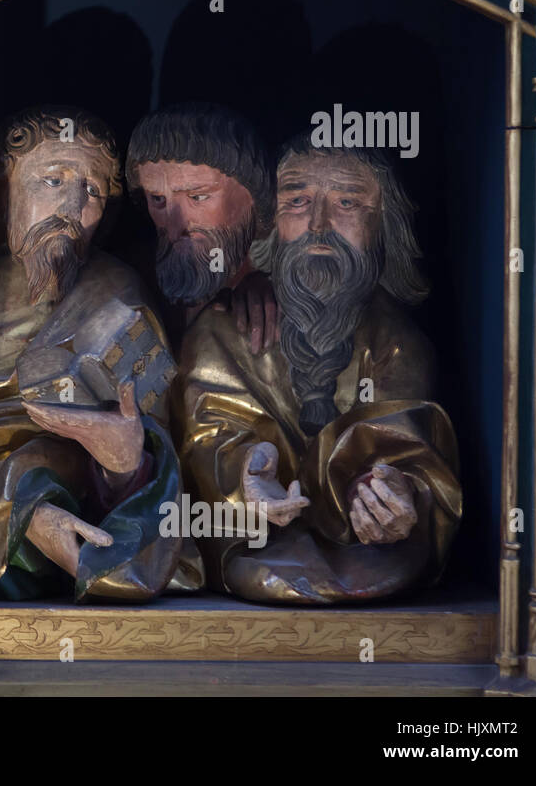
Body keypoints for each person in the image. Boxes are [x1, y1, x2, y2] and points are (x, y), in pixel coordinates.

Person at [173, 136, 461, 602]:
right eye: (297, 202)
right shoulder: (220, 333)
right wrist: (245, 475)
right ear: (270, 223)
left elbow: (405, 446)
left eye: (347, 202)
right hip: (257, 543)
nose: (319, 225)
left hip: (364, 550)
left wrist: (396, 494)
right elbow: (208, 436)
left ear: (383, 223)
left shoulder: (397, 342)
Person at [0, 106, 198, 601]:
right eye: (52, 180)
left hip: (92, 529)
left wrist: (122, 463)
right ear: (2, 191)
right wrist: (22, 514)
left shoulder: (118, 293)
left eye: (94, 191)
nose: (74, 205)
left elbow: (161, 454)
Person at [126, 102, 277, 353]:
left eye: (198, 197)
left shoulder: (294, 276)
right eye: (157, 200)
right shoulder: (129, 282)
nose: (175, 227)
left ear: (254, 196)